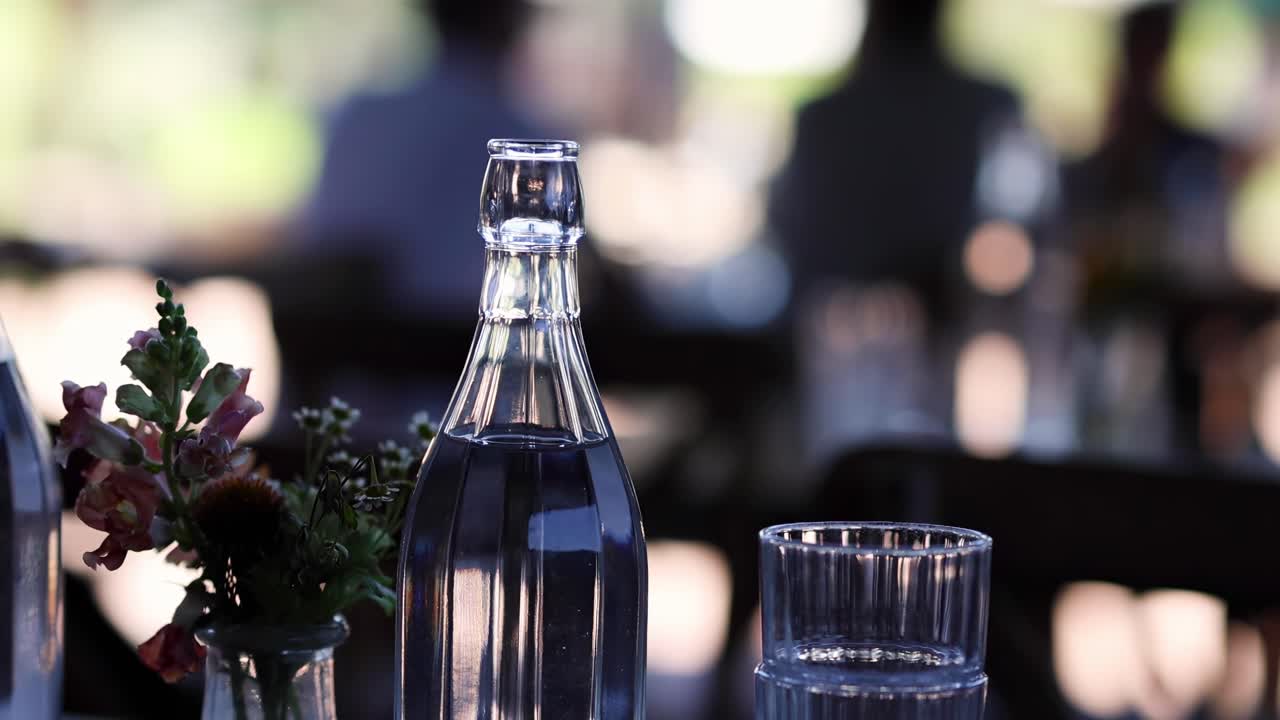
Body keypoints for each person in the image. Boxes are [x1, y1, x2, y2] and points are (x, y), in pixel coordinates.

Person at [297, 0, 546, 318]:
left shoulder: (363, 116)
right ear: (511, 20)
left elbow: (325, 252)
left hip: (347, 357)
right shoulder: (523, 139)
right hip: (466, 358)